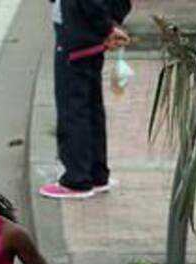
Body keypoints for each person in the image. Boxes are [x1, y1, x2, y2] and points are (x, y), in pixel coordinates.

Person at [38, 0, 130, 198]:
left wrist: (106, 26)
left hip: (77, 30)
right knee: (91, 103)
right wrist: (111, 22)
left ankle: (77, 178)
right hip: (91, 31)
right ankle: (97, 173)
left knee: (73, 105)